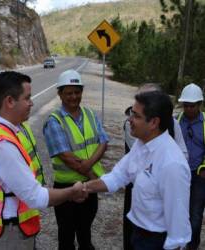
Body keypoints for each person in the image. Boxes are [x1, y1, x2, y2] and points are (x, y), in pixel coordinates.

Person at [0, 71, 86, 250]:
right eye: (27, 97)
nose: (31, 102)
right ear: (9, 101)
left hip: (5, 228)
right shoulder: (1, 145)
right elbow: (36, 197)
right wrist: (72, 192)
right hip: (10, 234)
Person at [85, 91, 191, 250]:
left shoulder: (172, 164)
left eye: (136, 116)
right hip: (137, 233)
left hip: (157, 241)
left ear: (154, 122)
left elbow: (178, 231)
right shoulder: (141, 145)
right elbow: (117, 176)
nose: (129, 120)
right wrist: (85, 187)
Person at [43, 69, 109, 250]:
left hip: (90, 185)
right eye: (69, 93)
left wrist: (88, 169)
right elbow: (66, 157)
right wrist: (93, 176)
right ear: (60, 94)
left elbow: (103, 142)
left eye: (77, 92)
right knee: (66, 236)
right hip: (66, 190)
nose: (74, 97)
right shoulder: (54, 121)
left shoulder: (90, 114)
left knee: (85, 232)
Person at [122, 83, 188, 250]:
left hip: (162, 188)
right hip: (138, 187)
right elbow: (137, 160)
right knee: (133, 228)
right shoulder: (134, 128)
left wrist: (170, 168)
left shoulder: (173, 126)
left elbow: (182, 151)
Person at [177, 83, 205, 250]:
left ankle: (192, 246)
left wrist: (203, 168)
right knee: (179, 211)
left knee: (195, 215)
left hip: (198, 176)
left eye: (191, 106)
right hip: (179, 176)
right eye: (185, 105)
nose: (187, 109)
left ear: (199, 104)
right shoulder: (176, 121)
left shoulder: (204, 124)